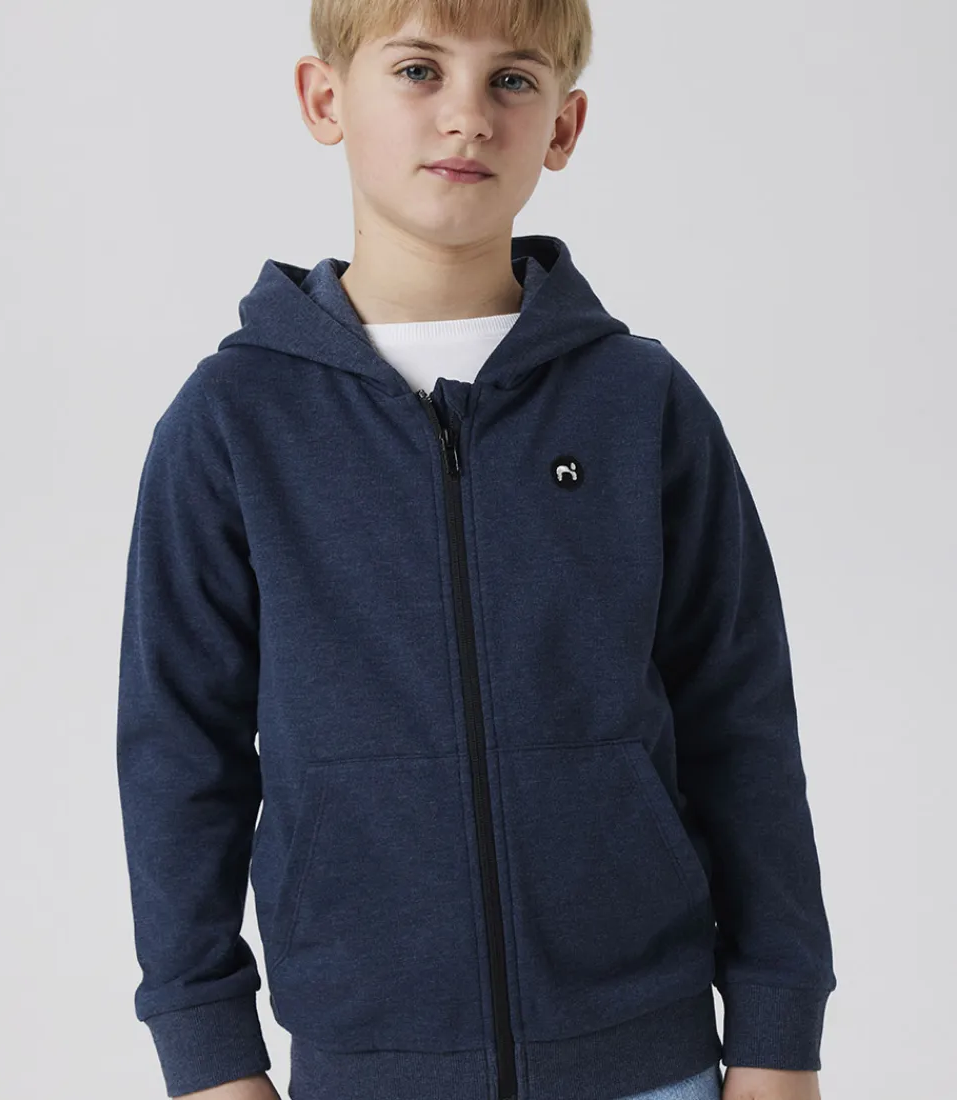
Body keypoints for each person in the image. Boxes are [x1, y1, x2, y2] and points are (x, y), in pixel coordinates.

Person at [115, 2, 837, 1099]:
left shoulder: (640, 402)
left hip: (650, 1059)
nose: (467, 115)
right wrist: (207, 1054)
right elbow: (178, 754)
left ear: (564, 125)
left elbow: (742, 723)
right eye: (418, 70)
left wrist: (780, 1033)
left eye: (512, 79)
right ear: (324, 99)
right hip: (368, 1065)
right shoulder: (233, 420)